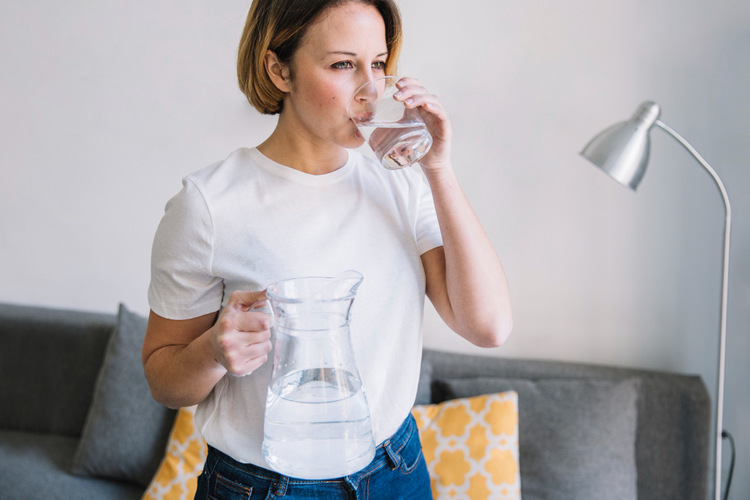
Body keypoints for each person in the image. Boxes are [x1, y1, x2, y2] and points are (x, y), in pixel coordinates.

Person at [142, 0, 512, 497]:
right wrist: (212, 351)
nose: (370, 89)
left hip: (396, 470)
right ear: (279, 69)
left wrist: (439, 167)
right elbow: (163, 380)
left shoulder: (400, 181)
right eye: (343, 64)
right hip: (264, 485)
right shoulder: (209, 205)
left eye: (378, 63)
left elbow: (488, 326)